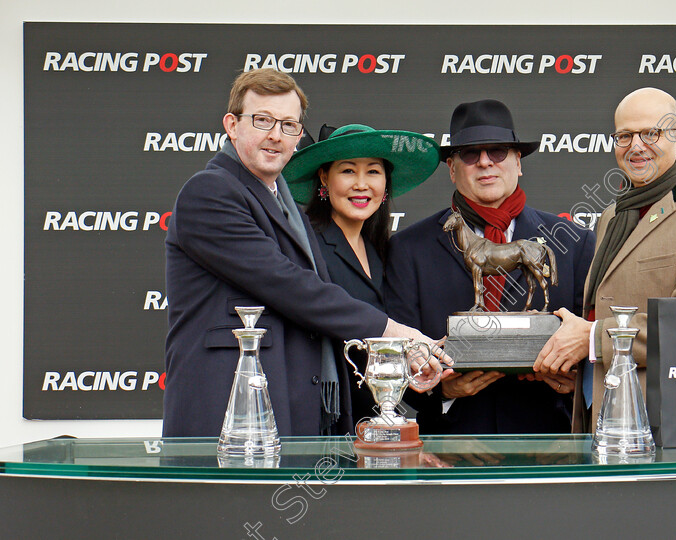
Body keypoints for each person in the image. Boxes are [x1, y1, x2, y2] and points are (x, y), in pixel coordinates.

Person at [163, 69, 445, 438]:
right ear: (232, 125)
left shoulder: (286, 205)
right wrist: (394, 334)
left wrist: (400, 359)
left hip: (290, 410)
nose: (276, 135)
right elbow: (288, 285)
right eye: (263, 120)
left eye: (289, 125)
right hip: (228, 411)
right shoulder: (210, 191)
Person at [532, 87, 676, 432]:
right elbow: (606, 311)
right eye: (624, 135)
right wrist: (587, 369)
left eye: (651, 133)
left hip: (667, 428)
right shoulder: (613, 216)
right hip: (602, 419)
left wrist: (590, 339)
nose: (636, 146)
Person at [385, 99, 596, 434]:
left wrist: (574, 379)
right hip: (449, 448)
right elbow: (396, 352)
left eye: (497, 151)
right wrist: (441, 389)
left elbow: (597, 341)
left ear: (518, 162)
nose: (485, 163)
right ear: (452, 169)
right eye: (470, 154)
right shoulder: (408, 248)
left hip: (549, 446)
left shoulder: (575, 241)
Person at [282, 123, 440, 425]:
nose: (361, 184)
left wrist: (422, 370)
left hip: (374, 424)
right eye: (348, 171)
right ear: (324, 178)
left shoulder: (385, 252)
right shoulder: (306, 247)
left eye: (373, 171)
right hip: (321, 424)